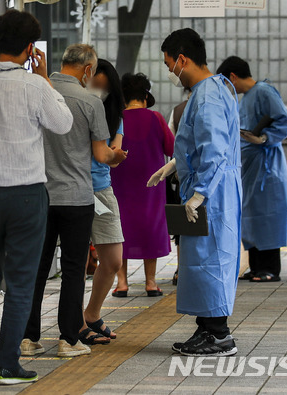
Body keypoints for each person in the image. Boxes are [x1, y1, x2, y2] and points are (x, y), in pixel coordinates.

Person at [0, 9, 73, 385]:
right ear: (30, 49)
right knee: (20, 282)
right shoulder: (34, 85)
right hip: (26, 196)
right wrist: (44, 79)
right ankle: (8, 365)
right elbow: (63, 124)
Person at [23, 44, 126, 357]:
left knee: (37, 268)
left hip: (41, 193)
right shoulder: (90, 101)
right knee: (73, 268)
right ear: (88, 69)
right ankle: (69, 339)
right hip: (77, 196)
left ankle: (28, 339)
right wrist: (117, 156)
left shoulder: (38, 90)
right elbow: (101, 154)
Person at [148, 27, 241, 357]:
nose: (169, 70)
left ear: (182, 60)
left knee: (211, 260)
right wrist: (173, 165)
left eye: (168, 63)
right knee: (203, 261)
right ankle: (207, 327)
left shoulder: (209, 95)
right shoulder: (213, 90)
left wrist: (199, 193)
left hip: (211, 195)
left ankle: (218, 335)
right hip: (212, 190)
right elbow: (201, 145)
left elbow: (214, 150)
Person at [217, 56, 287, 283]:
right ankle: (257, 266)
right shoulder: (247, 97)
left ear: (233, 77)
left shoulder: (264, 91)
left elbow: (283, 120)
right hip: (250, 166)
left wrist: (264, 137)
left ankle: (270, 268)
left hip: (266, 166)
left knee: (267, 216)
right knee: (251, 216)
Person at [111, 72, 175, 297]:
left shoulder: (116, 119)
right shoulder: (156, 118)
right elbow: (171, 148)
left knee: (121, 227)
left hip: (121, 182)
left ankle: (122, 283)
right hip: (151, 184)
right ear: (146, 96)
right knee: (151, 225)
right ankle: (150, 282)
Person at [82, 58, 127, 339]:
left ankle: (92, 313)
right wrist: (111, 155)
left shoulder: (115, 117)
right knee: (75, 262)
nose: (99, 92)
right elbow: (108, 154)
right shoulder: (74, 106)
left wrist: (114, 156)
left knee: (113, 260)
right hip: (70, 189)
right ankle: (76, 322)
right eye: (96, 85)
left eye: (105, 89)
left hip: (100, 190)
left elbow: (111, 157)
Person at [166, 87, 191, 286]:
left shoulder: (178, 110)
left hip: (183, 177)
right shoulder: (215, 107)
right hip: (205, 180)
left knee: (183, 227)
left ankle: (182, 269)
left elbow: (172, 145)